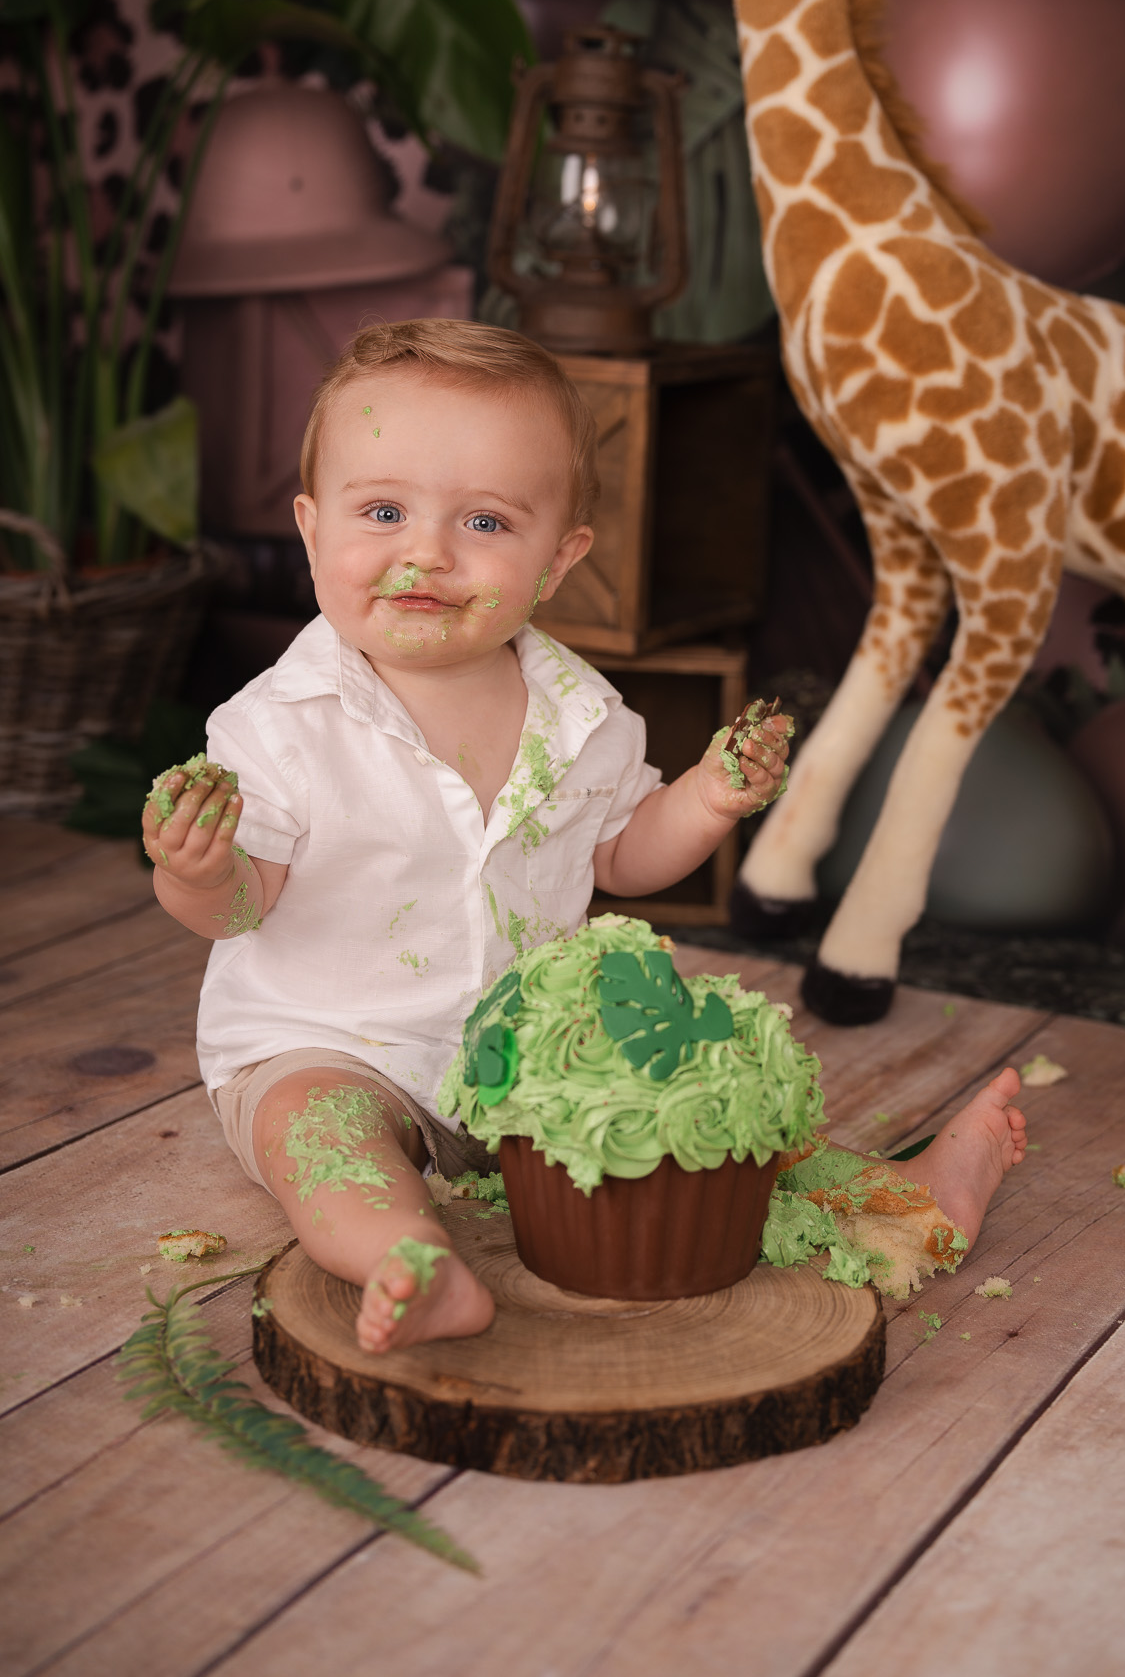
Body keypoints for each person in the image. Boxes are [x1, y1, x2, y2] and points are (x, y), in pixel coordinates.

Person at [146, 319, 1026, 1354]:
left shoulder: (583, 713)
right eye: (382, 510)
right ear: (309, 526)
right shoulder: (277, 725)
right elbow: (242, 905)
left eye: (483, 520)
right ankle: (402, 1254)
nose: (424, 550)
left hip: (531, 1055)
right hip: (333, 1040)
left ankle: (905, 1188)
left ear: (559, 560)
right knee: (321, 1134)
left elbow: (623, 856)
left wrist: (703, 798)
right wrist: (198, 872)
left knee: (701, 1109)